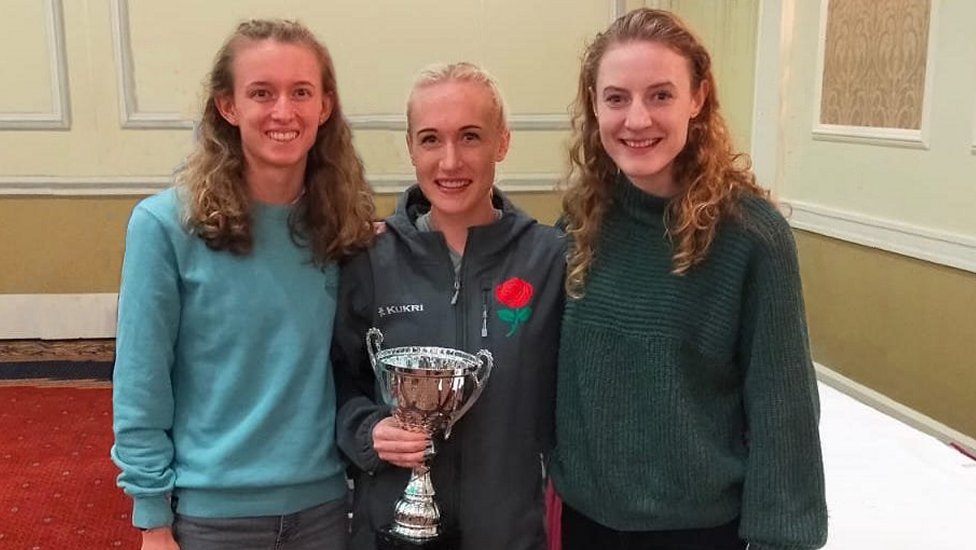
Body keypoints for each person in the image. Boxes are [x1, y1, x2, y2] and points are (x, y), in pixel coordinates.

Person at [551, 8, 828, 550]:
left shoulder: (751, 237)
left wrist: (784, 538)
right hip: (585, 522)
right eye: (616, 98)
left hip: (697, 530)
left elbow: (784, 408)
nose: (636, 120)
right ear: (594, 105)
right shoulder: (580, 223)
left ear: (697, 99)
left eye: (660, 95)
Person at [111, 19, 375, 550]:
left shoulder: (342, 227)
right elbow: (141, 386)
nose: (284, 111)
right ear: (228, 107)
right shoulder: (164, 228)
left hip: (324, 508)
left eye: (301, 92)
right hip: (212, 517)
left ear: (325, 106)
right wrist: (152, 521)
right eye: (262, 93)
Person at [334, 62, 565, 550]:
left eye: (471, 137)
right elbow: (335, 382)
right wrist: (367, 431)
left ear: (502, 142)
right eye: (431, 139)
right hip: (392, 533)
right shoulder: (369, 257)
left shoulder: (548, 260)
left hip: (509, 533)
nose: (451, 161)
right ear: (411, 148)